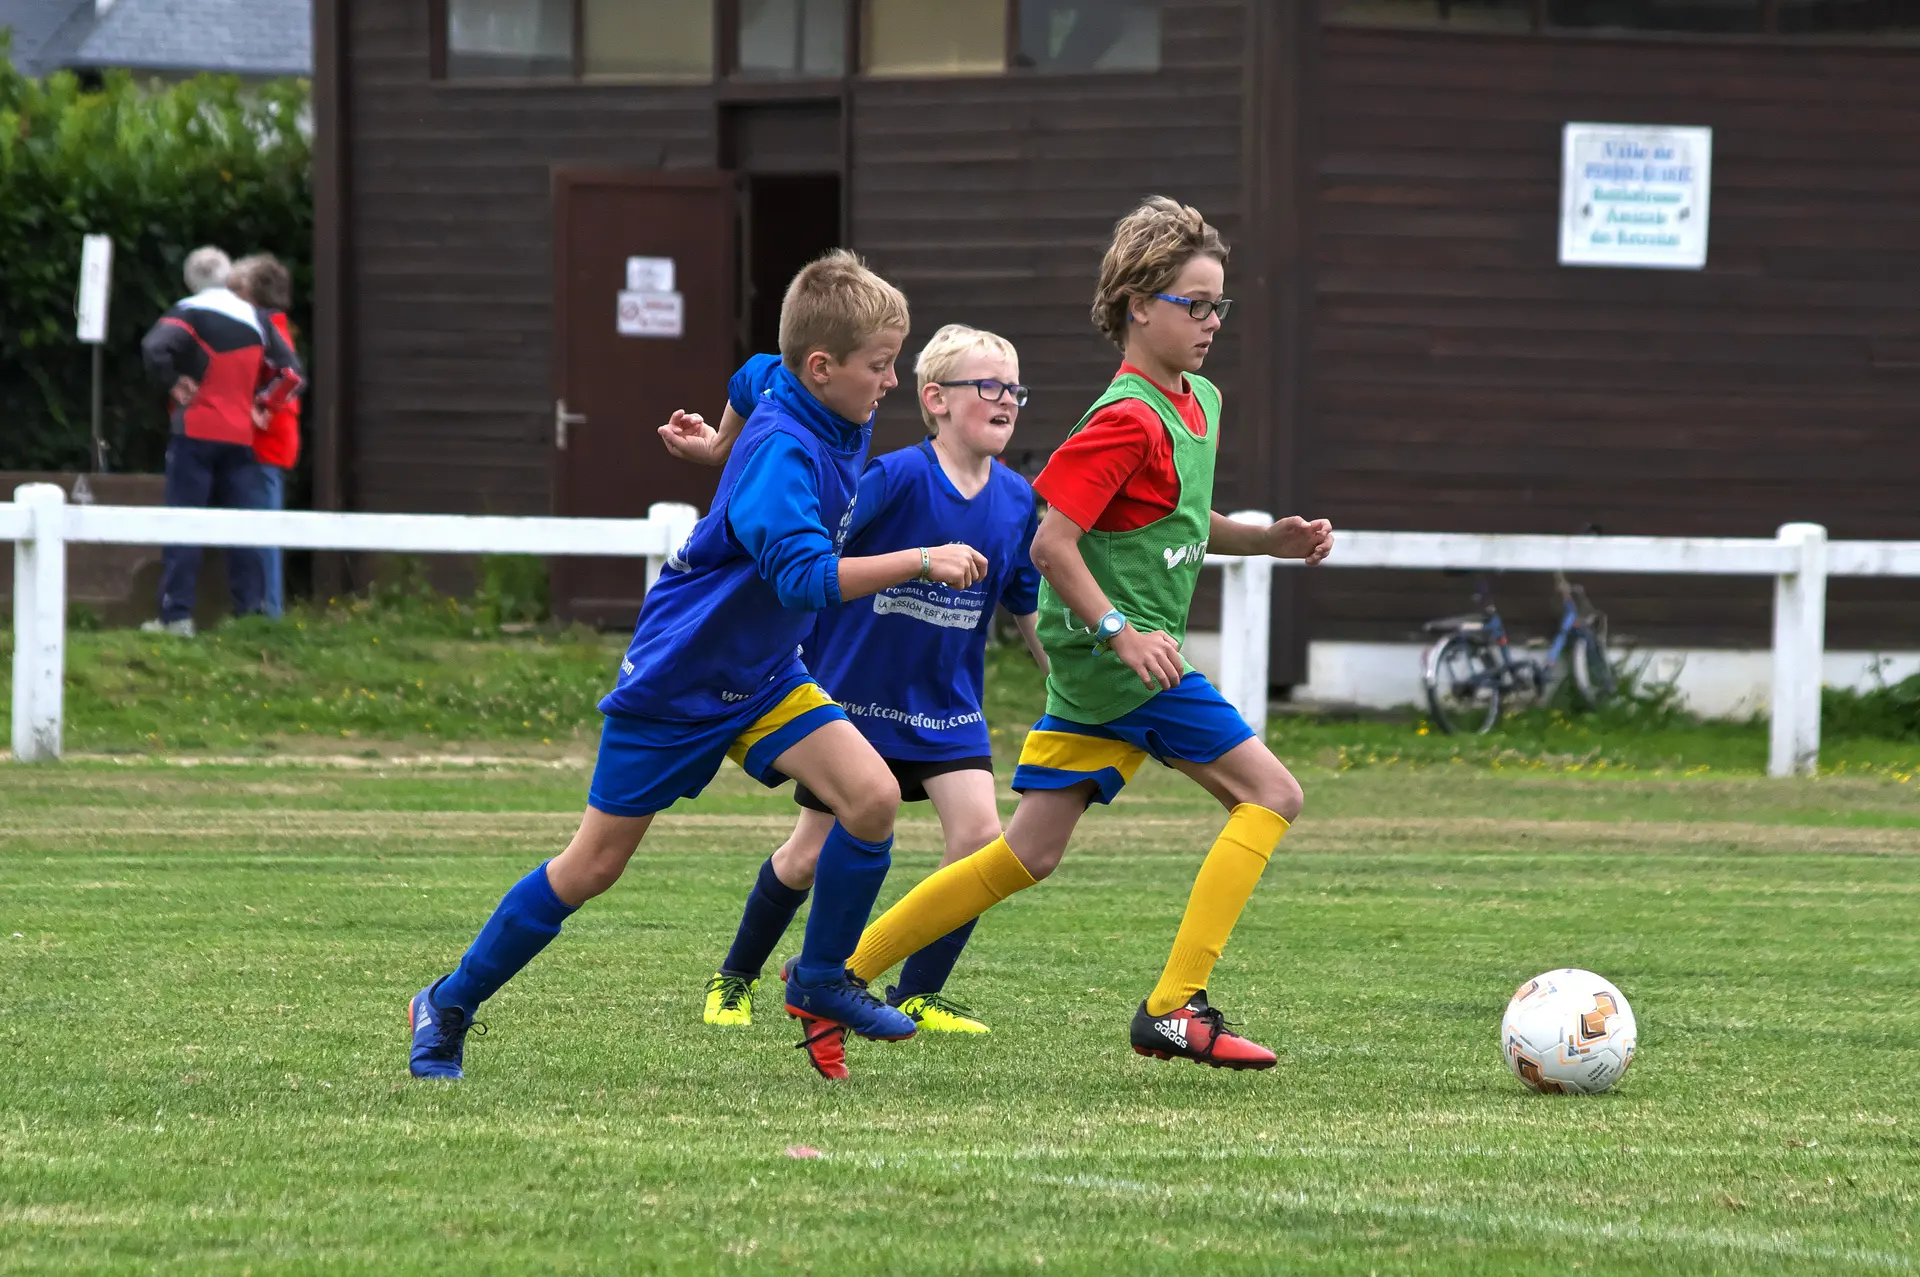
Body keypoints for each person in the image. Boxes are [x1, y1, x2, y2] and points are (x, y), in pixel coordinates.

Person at [407, 251, 991, 1081]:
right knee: (592, 866)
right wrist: (919, 558)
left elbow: (750, 372)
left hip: (761, 671)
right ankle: (449, 1000)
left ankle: (821, 978)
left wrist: (714, 441)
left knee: (867, 798)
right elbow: (807, 579)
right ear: (823, 367)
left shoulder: (816, 396)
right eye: (880, 365)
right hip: (679, 674)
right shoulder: (784, 455)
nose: (892, 381)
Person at [838, 198, 1335, 1071]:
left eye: (1220, 305)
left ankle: (838, 974)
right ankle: (1175, 1007)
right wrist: (1119, 632)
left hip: (1108, 669)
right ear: (1141, 305)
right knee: (1273, 793)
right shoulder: (1122, 417)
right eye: (1195, 303)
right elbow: (1049, 540)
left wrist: (1266, 540)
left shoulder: (1199, 403)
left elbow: (1176, 516)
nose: (1212, 322)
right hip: (1126, 665)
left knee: (1026, 852)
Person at [666, 325, 1047, 1080]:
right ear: (935, 401)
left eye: (1014, 389)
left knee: (981, 843)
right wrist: (909, 567)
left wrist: (1065, 674)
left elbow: (1026, 608)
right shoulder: (895, 477)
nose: (1005, 400)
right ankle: (735, 976)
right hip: (857, 696)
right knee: (807, 855)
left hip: (947, 703)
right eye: (988, 386)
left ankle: (921, 990)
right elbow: (820, 559)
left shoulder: (1016, 500)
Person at [139, 245, 303, 636]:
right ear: (228, 277)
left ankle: (175, 615)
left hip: (195, 432)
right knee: (243, 529)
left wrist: (174, 382)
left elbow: (153, 347)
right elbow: (292, 374)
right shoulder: (257, 319)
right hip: (241, 437)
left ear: (190, 280)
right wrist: (264, 404)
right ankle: (250, 615)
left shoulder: (187, 311)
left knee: (185, 524)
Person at [228, 253, 301, 620]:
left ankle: (265, 612)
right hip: (267, 440)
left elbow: (291, 378)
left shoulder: (263, 327)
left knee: (260, 532)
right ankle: (258, 609)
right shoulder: (270, 325)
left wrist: (259, 409)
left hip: (264, 442)